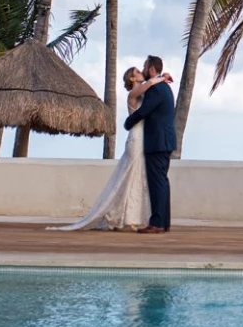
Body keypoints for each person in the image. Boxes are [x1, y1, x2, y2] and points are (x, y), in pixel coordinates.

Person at [50, 66, 170, 231]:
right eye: (137, 72)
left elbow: (150, 90)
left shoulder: (145, 93)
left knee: (137, 177)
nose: (141, 72)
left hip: (146, 139)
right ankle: (117, 215)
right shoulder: (134, 94)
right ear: (132, 79)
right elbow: (149, 84)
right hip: (136, 139)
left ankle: (130, 217)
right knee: (129, 175)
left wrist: (162, 77)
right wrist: (162, 78)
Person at [125, 54, 176, 234]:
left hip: (157, 142)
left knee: (157, 184)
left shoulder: (156, 90)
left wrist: (128, 123)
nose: (143, 69)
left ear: (151, 69)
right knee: (162, 182)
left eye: (145, 67)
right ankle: (164, 222)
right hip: (164, 141)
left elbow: (144, 111)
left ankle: (157, 223)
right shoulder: (163, 87)